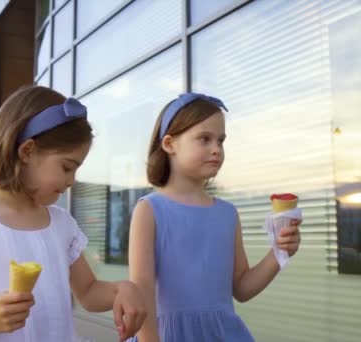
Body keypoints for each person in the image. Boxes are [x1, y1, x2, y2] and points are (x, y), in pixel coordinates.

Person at [0, 86, 147, 342]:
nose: (72, 180)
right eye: (67, 167)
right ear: (27, 151)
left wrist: (122, 289)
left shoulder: (62, 224)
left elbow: (88, 291)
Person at [127, 93, 302, 342]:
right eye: (204, 139)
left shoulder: (227, 213)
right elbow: (141, 296)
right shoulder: (149, 210)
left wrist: (279, 252)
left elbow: (242, 288)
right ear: (169, 144)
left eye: (220, 141)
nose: (216, 149)